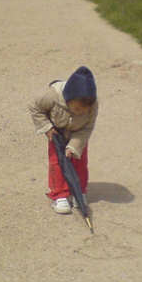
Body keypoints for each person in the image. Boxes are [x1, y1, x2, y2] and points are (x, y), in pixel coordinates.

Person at [28, 66, 98, 214]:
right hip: (57, 133)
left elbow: (87, 128)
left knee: (79, 162)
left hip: (78, 134)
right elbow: (35, 107)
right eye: (78, 109)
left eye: (84, 110)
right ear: (68, 98)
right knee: (57, 163)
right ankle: (59, 194)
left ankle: (78, 192)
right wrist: (46, 128)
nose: (81, 112)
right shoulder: (51, 96)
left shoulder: (93, 106)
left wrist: (74, 146)